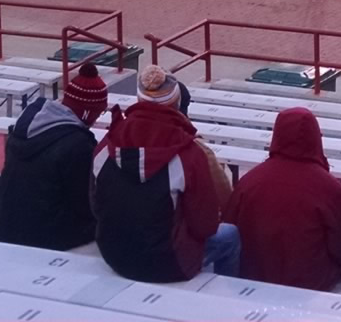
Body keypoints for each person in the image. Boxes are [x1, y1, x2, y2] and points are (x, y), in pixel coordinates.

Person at [92, 68, 236, 282]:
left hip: (114, 254)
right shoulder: (191, 155)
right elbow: (205, 226)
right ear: (177, 106)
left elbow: (96, 207)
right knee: (231, 235)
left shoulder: (106, 145)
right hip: (167, 264)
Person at [224, 108, 341, 291]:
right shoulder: (332, 190)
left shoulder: (248, 183)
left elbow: (229, 228)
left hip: (253, 282)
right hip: (313, 287)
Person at [0, 93, 98, 251]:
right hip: (45, 236)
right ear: (88, 112)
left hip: (4, 225)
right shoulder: (78, 144)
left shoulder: (20, 129)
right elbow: (83, 202)